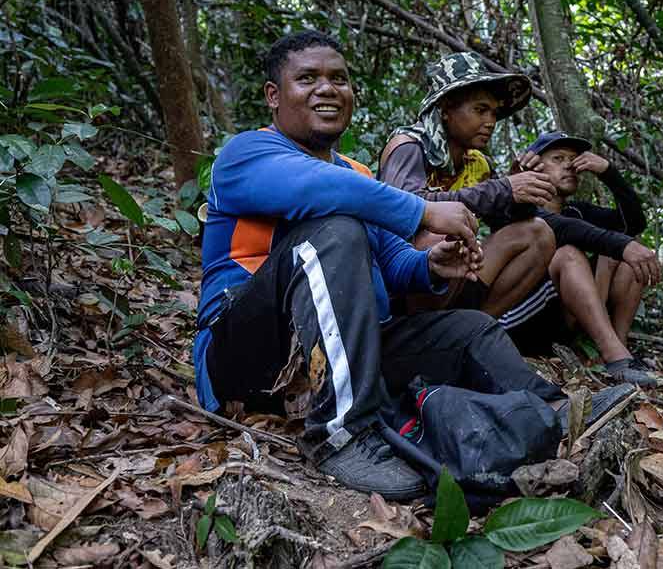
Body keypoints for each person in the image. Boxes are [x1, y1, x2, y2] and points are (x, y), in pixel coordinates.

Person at [193, 31, 597, 501]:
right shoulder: (247, 153)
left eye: (338, 79)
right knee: (336, 229)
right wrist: (423, 212)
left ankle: (553, 408)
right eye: (307, 79)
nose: (327, 88)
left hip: (339, 354)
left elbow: (391, 260)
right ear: (273, 96)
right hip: (245, 356)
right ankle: (340, 433)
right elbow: (320, 190)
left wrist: (430, 265)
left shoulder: (358, 174)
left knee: (467, 327)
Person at [378, 52, 557, 317]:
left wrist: (520, 193)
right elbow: (404, 208)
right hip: (400, 278)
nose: (491, 122)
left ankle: (477, 326)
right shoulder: (409, 145)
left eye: (494, 113)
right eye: (480, 110)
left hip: (457, 275)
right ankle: (421, 333)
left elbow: (501, 223)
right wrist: (504, 189)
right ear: (447, 109)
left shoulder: (477, 163)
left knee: (537, 234)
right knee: (446, 233)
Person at [499, 132, 662, 387]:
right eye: (558, 158)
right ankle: (613, 353)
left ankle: (619, 355)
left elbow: (633, 223)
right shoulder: (516, 206)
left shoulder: (577, 211)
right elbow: (562, 228)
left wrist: (608, 172)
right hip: (524, 324)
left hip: (567, 321)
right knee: (570, 255)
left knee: (623, 255)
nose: (569, 165)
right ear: (534, 165)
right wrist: (622, 245)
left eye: (573, 159)